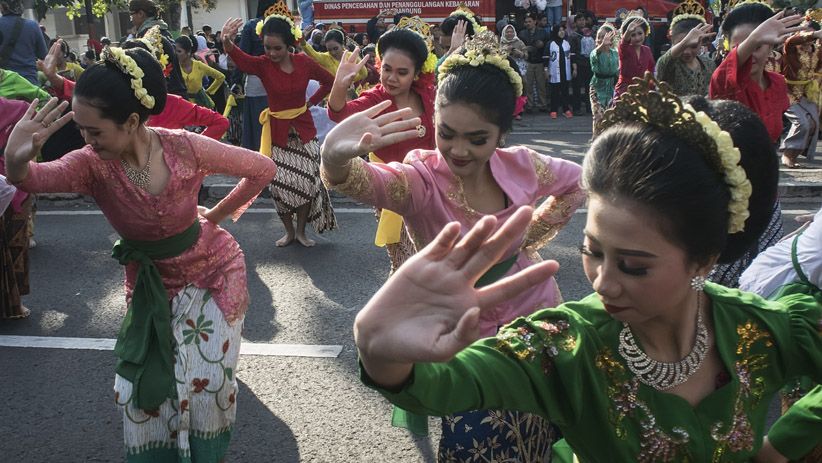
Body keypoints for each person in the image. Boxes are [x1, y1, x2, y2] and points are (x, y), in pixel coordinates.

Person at [349, 72, 822, 462]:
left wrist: (781, 445)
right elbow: (453, 384)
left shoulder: (761, 328)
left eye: (633, 266)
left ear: (704, 260)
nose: (602, 282)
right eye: (593, 251)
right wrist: (380, 350)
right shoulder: (565, 343)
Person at [4, 46, 277, 461]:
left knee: (207, 386)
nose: (85, 140)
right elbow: (37, 178)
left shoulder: (185, 147)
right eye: (82, 130)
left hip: (214, 274)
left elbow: (262, 168)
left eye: (95, 131)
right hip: (151, 286)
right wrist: (14, 159)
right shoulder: (91, 164)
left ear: (131, 121)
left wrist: (217, 216)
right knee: (143, 394)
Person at [322, 31, 585, 462]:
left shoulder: (523, 164)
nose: (458, 150)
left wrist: (526, 239)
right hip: (462, 333)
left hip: (532, 314)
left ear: (502, 133)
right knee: (475, 443)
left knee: (540, 429)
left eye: (477, 139)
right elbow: (370, 183)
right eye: (446, 133)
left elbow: (574, 184)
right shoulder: (422, 179)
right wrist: (334, 155)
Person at [222, 7, 337, 247]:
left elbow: (330, 81)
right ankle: (288, 232)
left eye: (277, 48)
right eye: (267, 47)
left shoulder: (304, 63)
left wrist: (311, 102)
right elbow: (242, 61)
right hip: (277, 133)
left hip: (304, 132)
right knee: (279, 186)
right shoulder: (263, 65)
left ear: (290, 45)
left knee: (307, 182)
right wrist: (227, 43)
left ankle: (302, 231)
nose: (272, 53)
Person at [328, 22, 437, 273]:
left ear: (416, 73)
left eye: (401, 72)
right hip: (392, 193)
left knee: (430, 265)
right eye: (386, 69)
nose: (391, 77)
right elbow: (340, 113)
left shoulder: (427, 96)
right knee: (408, 266)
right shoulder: (375, 99)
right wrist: (340, 85)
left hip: (432, 192)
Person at [709, 4, 802, 145]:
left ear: (771, 45)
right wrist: (755, 39)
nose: (750, 55)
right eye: (741, 47)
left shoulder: (777, 83)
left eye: (757, 47)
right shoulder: (724, 82)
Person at [229, 0, 277, 152]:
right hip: (279, 80)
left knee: (257, 125)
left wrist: (236, 81)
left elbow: (242, 57)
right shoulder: (281, 24)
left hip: (256, 82)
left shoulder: (251, 26)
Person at [0, 96, 32, 320]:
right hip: (14, 181)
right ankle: (13, 305)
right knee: (15, 246)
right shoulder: (17, 107)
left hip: (9, 184)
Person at [778, 26, 822, 168]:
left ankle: (794, 154)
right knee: (802, 122)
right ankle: (787, 154)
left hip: (808, 92)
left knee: (813, 123)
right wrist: (815, 33)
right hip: (788, 91)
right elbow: (790, 41)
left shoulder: (817, 50)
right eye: (805, 34)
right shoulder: (791, 49)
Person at [655, 0, 717, 96]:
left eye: (693, 46)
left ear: (701, 43)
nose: (687, 51)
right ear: (672, 41)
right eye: (682, 45)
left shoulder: (709, 64)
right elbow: (662, 63)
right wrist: (686, 41)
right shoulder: (668, 65)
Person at [128, 0, 186, 96]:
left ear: (141, 14)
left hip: (166, 98)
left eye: (131, 15)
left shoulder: (148, 37)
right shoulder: (163, 31)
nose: (131, 19)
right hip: (177, 93)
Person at [0, 0, 47, 85]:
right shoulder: (33, 26)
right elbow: (43, 55)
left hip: (4, 84)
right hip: (29, 83)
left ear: (2, 6)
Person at [174, 35, 225, 110]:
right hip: (182, 105)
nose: (176, 54)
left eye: (179, 51)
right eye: (174, 50)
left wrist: (209, 91)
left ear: (188, 52)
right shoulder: (174, 67)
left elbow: (220, 77)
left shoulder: (199, 65)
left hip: (201, 105)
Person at [614, 12, 655, 100]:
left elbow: (651, 70)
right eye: (633, 35)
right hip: (624, 92)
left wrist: (650, 86)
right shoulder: (625, 49)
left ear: (645, 33)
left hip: (642, 91)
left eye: (640, 33)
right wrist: (628, 31)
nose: (637, 38)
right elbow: (623, 43)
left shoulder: (647, 50)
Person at [302, 28, 367, 83]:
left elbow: (364, 74)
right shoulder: (325, 58)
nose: (333, 52)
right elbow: (312, 54)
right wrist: (302, 41)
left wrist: (350, 81)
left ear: (342, 44)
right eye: (329, 50)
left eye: (335, 48)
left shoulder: (352, 56)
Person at [589, 25, 617, 136]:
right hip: (596, 88)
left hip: (611, 87)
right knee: (599, 117)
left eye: (603, 36)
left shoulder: (615, 53)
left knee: (610, 118)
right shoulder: (595, 52)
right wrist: (602, 45)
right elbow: (594, 55)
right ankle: (596, 146)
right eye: (598, 37)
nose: (599, 39)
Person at [519, 13, 549, 112]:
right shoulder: (522, 33)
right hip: (528, 62)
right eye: (526, 22)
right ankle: (529, 105)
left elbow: (546, 46)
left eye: (530, 21)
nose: (528, 23)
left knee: (541, 85)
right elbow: (522, 47)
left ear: (535, 22)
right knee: (528, 85)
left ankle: (543, 104)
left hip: (539, 61)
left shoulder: (543, 32)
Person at [547, 24, 576, 119]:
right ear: (555, 32)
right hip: (554, 72)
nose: (562, 32)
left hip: (565, 71)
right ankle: (553, 110)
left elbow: (572, 57)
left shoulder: (567, 43)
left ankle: (566, 109)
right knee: (554, 92)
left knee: (565, 91)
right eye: (559, 30)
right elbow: (546, 58)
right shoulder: (550, 44)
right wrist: (546, 70)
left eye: (563, 30)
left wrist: (574, 68)